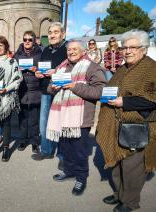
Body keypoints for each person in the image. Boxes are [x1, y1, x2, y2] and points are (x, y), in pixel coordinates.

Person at [96, 30, 156, 211]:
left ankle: (130, 202)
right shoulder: (123, 68)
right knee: (116, 163)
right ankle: (119, 195)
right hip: (115, 123)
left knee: (132, 168)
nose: (127, 51)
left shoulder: (152, 68)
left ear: (143, 49)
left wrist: (125, 101)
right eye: (125, 47)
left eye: (133, 47)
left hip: (137, 125)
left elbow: (153, 97)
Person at [48, 40, 106, 196]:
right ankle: (68, 171)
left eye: (75, 49)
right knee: (65, 147)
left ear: (83, 51)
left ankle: (81, 178)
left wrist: (75, 86)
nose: (71, 52)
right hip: (62, 115)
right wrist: (53, 87)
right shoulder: (62, 66)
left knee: (79, 151)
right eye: (69, 50)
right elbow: (50, 87)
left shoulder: (92, 67)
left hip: (80, 117)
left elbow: (100, 91)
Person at [32, 22, 68, 170]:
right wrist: (38, 73)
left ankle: (63, 156)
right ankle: (46, 151)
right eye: (50, 32)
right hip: (46, 90)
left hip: (61, 91)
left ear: (63, 34)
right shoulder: (46, 50)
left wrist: (57, 73)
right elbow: (41, 68)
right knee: (44, 123)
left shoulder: (68, 49)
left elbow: (73, 71)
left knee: (61, 123)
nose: (52, 35)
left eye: (56, 32)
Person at [13, 31, 42, 154]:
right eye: (25, 39)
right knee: (23, 119)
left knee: (34, 119)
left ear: (34, 40)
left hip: (35, 90)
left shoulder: (40, 54)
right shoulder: (17, 55)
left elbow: (44, 69)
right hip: (22, 90)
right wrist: (17, 70)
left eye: (30, 39)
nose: (27, 42)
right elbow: (12, 70)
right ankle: (23, 140)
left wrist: (37, 70)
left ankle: (35, 142)